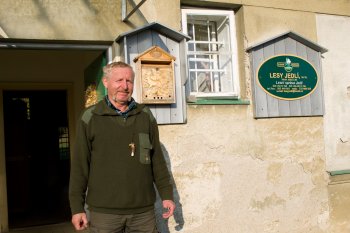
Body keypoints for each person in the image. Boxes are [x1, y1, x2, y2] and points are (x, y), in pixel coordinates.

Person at [69, 61, 175, 233]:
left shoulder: (145, 116)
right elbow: (80, 167)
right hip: (104, 214)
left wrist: (167, 195)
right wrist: (77, 208)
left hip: (143, 213)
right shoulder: (90, 117)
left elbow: (157, 161)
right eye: (118, 80)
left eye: (129, 81)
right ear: (106, 82)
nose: (124, 86)